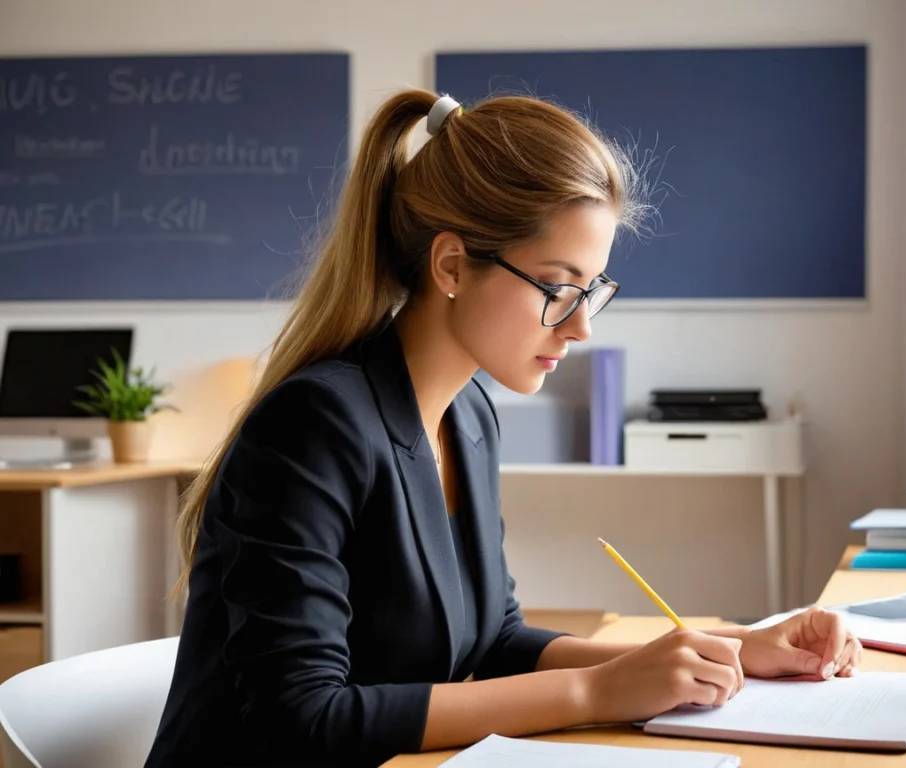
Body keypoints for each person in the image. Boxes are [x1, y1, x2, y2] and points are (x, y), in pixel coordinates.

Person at [145, 89, 862, 768]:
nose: (580, 326)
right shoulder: (315, 425)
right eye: (558, 289)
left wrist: (732, 647)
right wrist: (597, 691)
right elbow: (301, 720)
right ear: (452, 264)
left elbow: (493, 641)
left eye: (592, 291)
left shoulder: (469, 416)